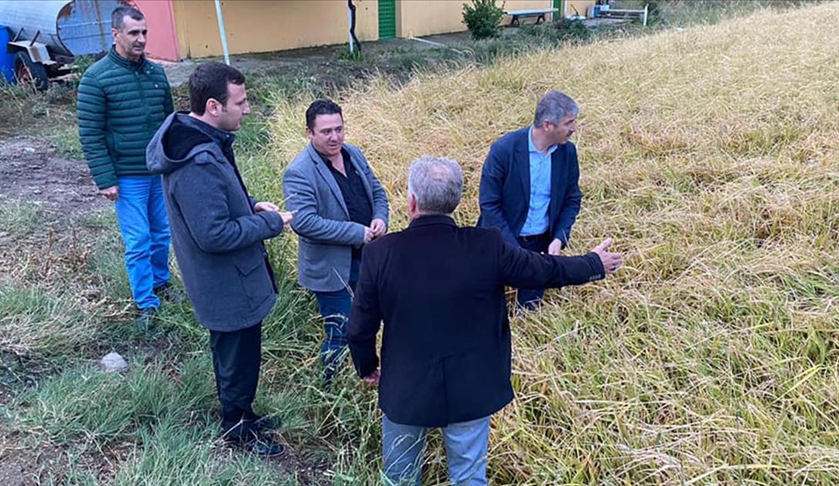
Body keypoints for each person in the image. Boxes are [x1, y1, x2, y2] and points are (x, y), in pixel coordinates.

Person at [348, 156, 622, 485]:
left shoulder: (381, 253)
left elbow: (360, 327)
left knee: (400, 478)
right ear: (456, 200)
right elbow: (544, 270)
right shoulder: (487, 245)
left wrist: (367, 366)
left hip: (405, 388)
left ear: (411, 201)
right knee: (469, 478)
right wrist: (594, 263)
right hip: (472, 388)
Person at [147, 62, 292, 458]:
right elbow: (212, 234)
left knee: (239, 354)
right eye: (241, 102)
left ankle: (242, 413)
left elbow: (216, 207)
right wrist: (268, 222)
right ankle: (238, 430)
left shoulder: (203, 139)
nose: (247, 110)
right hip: (226, 282)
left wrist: (248, 206)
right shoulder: (196, 160)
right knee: (236, 357)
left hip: (230, 278)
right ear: (213, 106)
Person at [77, 6, 175, 329]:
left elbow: (168, 126)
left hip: (159, 172)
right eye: (134, 33)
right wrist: (106, 179)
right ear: (116, 34)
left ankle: (162, 283)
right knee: (139, 240)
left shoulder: (156, 73)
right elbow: (90, 135)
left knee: (163, 233)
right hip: (127, 175)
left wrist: (174, 165)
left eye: (144, 32)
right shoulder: (96, 78)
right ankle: (146, 303)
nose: (141, 39)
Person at [282, 99, 389, 384]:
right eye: (327, 131)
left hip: (369, 259)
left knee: (370, 323)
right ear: (309, 132)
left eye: (339, 129)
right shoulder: (299, 171)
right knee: (341, 330)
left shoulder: (353, 154)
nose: (335, 137)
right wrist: (356, 232)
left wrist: (380, 218)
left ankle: (363, 376)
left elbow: (378, 193)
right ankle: (329, 386)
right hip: (332, 270)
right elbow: (303, 222)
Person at [478, 90, 583, 310]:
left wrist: (558, 238)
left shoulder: (567, 153)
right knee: (483, 307)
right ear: (547, 125)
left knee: (530, 312)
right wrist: (513, 250)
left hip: (540, 247)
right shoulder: (503, 150)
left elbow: (572, 199)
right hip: (500, 242)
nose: (574, 128)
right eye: (569, 123)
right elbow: (489, 204)